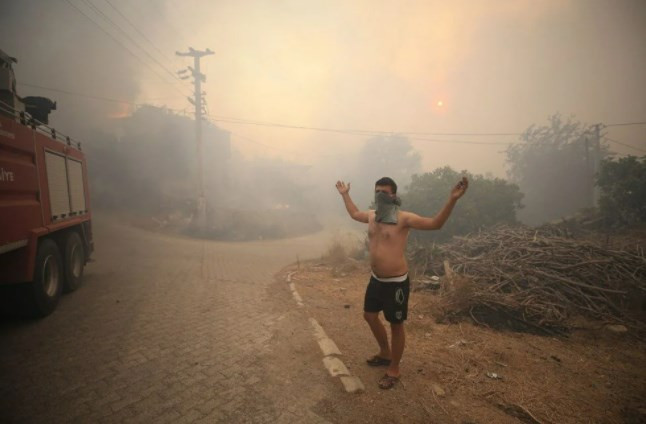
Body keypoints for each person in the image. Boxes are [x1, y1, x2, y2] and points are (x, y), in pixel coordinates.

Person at [335, 176, 468, 389]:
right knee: (369, 316)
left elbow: (436, 224)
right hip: (376, 279)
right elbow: (353, 213)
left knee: (396, 325)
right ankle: (385, 353)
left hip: (396, 282)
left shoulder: (404, 218)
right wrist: (345, 194)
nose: (380, 195)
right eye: (377, 191)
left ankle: (394, 368)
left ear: (394, 195)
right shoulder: (371, 216)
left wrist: (453, 198)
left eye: (385, 192)